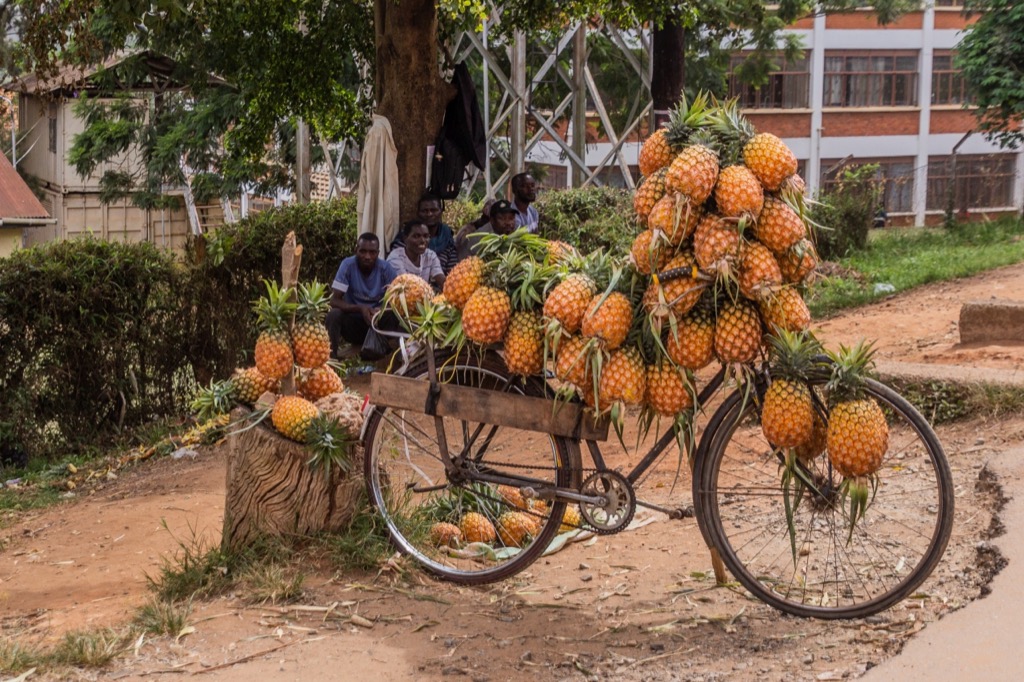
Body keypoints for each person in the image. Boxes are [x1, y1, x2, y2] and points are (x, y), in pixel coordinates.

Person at [325, 232, 397, 360]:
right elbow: (335, 300)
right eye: (362, 251)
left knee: (397, 315)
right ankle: (331, 359)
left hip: (378, 325)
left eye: (372, 252)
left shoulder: (386, 269)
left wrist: (380, 311)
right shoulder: (348, 265)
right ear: (356, 250)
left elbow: (396, 300)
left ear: (378, 253)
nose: (367, 256)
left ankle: (395, 357)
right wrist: (360, 308)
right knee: (334, 315)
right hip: (355, 324)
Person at [389, 193, 459, 274]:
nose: (429, 214)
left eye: (434, 210)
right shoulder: (406, 237)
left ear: (440, 212)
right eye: (425, 211)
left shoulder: (447, 238)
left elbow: (453, 272)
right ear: (418, 213)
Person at [387, 220, 445, 291]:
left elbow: (442, 280)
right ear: (405, 239)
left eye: (426, 236)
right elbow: (405, 286)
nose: (423, 240)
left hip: (422, 296)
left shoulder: (430, 255)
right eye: (416, 236)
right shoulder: (396, 258)